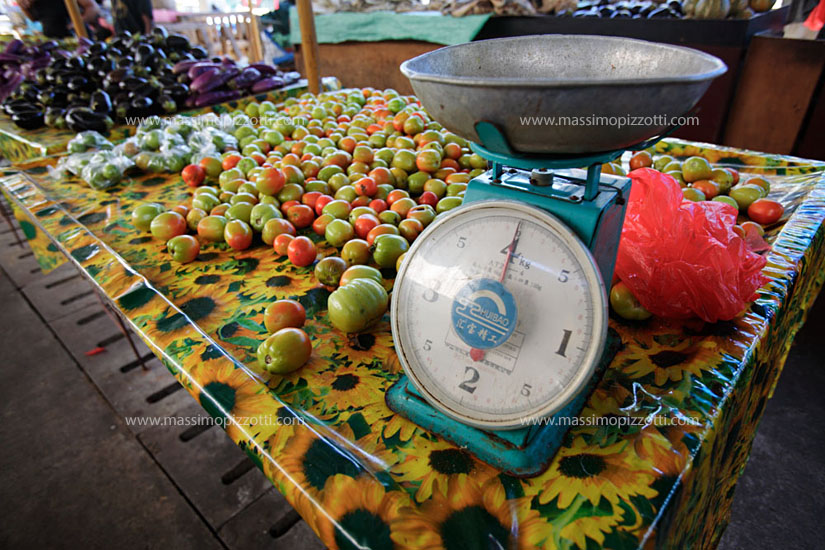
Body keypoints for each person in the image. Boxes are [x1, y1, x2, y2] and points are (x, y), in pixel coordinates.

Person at [17, 0, 100, 38]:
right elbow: (34, 19)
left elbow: (93, 7)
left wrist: (77, 22)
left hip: (76, 37)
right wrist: (24, 7)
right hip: (53, 41)